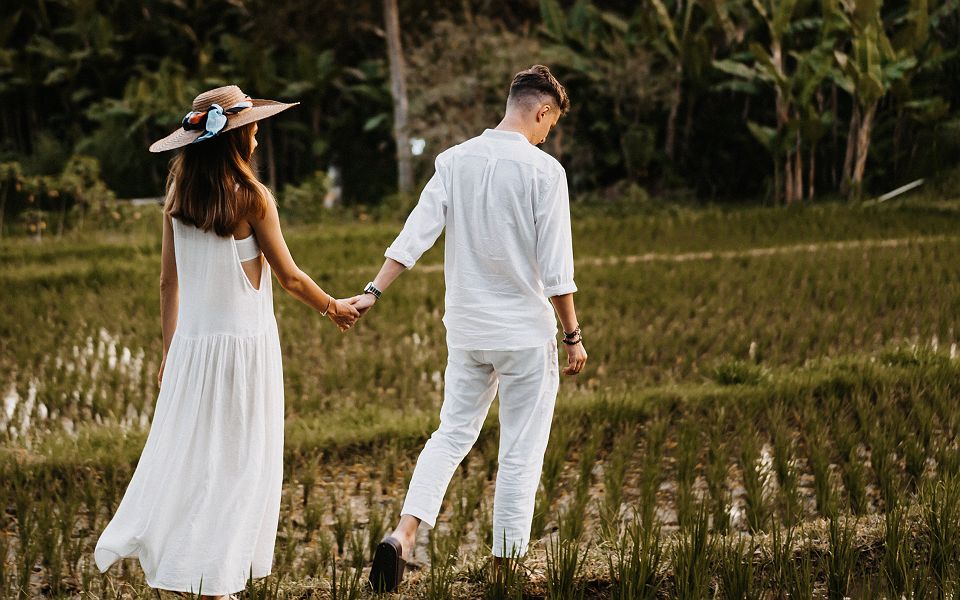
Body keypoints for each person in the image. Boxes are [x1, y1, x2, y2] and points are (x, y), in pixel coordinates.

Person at [93, 85, 359, 599]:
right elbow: (290, 278)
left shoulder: (177, 201)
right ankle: (215, 584)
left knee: (197, 464)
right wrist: (334, 307)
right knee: (239, 466)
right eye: (253, 131)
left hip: (193, 350)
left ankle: (204, 576)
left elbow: (168, 283)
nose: (257, 140)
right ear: (232, 139)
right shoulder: (252, 199)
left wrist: (170, 352)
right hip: (242, 353)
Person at [351, 65, 587, 592]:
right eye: (551, 124)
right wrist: (571, 334)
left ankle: (405, 534)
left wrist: (373, 291)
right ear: (542, 111)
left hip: (468, 333)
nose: (549, 134)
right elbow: (556, 269)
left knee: (451, 434)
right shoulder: (545, 173)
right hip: (525, 337)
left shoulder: (454, 161)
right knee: (521, 449)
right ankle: (503, 569)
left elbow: (416, 233)